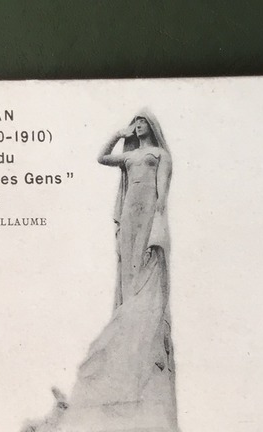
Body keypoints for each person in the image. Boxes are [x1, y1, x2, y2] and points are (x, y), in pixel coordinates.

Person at [74, 114, 175, 408]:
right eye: (136, 122)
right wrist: (119, 133)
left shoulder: (159, 154)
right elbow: (102, 157)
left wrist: (158, 222)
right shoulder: (130, 155)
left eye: (143, 122)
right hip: (130, 211)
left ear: (152, 126)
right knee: (128, 263)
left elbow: (163, 192)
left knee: (145, 258)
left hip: (148, 211)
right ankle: (129, 303)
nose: (139, 126)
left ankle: (139, 304)